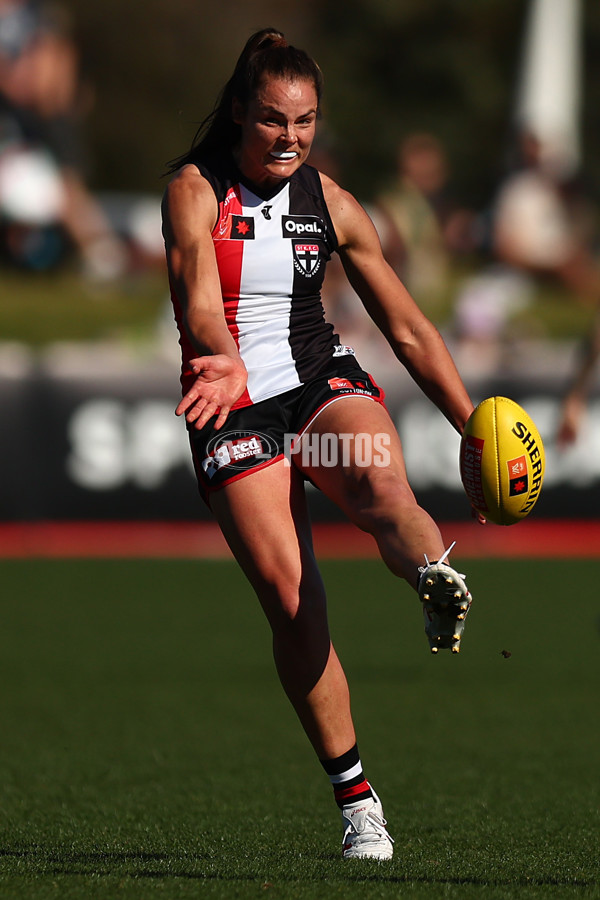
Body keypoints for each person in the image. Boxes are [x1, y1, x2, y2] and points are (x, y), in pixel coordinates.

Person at [162, 29, 478, 861]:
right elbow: (197, 296)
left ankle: (431, 575)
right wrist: (220, 358)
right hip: (233, 410)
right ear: (238, 113)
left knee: (383, 493)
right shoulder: (195, 191)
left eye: (304, 122)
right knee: (293, 601)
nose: (290, 138)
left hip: (316, 389)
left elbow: (407, 328)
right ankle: (358, 803)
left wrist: (471, 427)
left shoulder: (332, 203)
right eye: (272, 120)